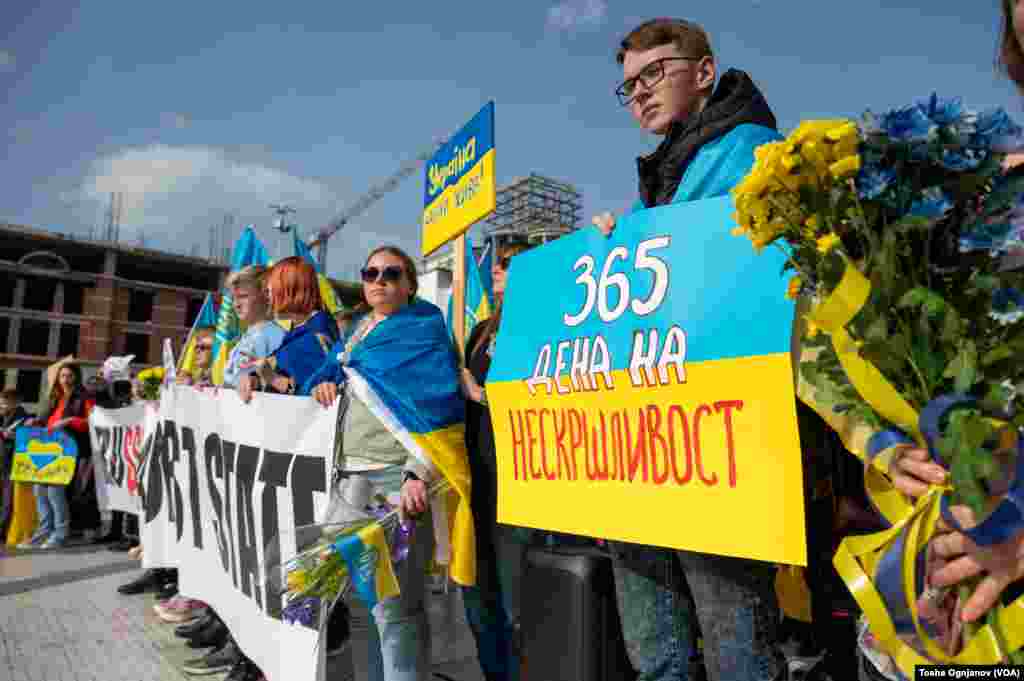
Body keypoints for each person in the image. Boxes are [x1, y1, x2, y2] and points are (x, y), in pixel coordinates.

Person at [593, 18, 786, 681]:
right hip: (644, 446)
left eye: (654, 74)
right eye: (628, 86)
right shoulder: (666, 175)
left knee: (738, 656)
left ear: (704, 72)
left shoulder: (757, 159)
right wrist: (614, 250)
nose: (640, 94)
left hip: (714, 449)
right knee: (658, 657)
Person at [309, 245, 458, 681]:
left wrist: (419, 471)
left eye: (391, 274)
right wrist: (296, 381)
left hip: (394, 481)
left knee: (395, 612)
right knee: (358, 606)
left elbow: (441, 410)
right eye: (370, 272)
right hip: (348, 481)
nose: (379, 280)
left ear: (409, 284)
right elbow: (328, 375)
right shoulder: (357, 334)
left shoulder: (425, 332)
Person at [178, 264, 286, 680]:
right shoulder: (247, 337)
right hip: (233, 457)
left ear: (265, 294)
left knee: (255, 563)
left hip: (257, 461)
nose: (236, 305)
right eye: (233, 298)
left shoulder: (271, 337)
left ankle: (250, 653)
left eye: (242, 297)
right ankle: (232, 636)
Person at [458, 241, 532, 681]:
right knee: (476, 599)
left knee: (514, 606)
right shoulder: (481, 329)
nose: (497, 270)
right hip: (476, 481)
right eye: (497, 263)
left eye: (508, 263)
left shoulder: (542, 328)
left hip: (516, 485)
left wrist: (481, 395)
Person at [19, 364, 96, 549]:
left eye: (69, 376)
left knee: (55, 492)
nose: (66, 379)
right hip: (48, 448)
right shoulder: (55, 397)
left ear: (76, 377)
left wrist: (70, 421)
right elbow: (46, 420)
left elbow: (92, 422)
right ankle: (44, 532)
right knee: (39, 490)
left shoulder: (84, 397)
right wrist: (34, 421)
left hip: (69, 449)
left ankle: (60, 534)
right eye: (62, 376)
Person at [0, 388, 33, 540]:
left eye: (5, 404)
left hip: (13, 464)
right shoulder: (3, 416)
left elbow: (31, 440)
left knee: (8, 500)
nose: (2, 407)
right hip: (3, 461)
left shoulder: (26, 419)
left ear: (16, 403)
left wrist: (16, 436)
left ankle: (3, 530)